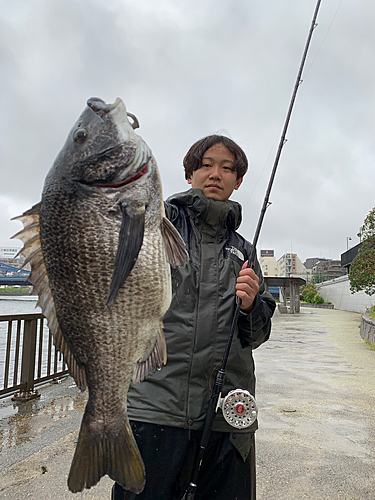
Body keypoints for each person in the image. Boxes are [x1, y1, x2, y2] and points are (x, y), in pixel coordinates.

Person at [112, 135, 276, 500]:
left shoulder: (244, 251)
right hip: (155, 410)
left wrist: (251, 305)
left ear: (239, 180)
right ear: (189, 175)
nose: (215, 173)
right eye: (205, 165)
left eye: (227, 167)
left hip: (226, 418)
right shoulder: (156, 227)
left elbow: (258, 333)